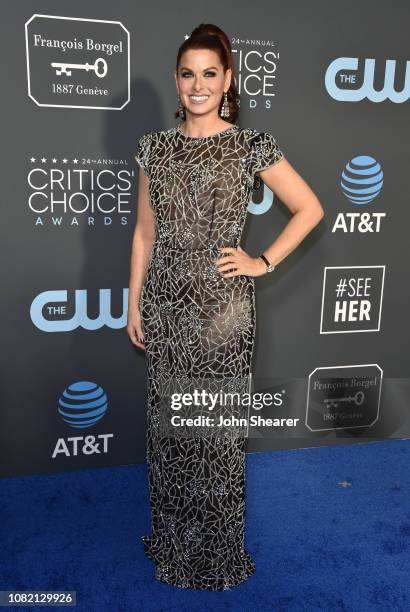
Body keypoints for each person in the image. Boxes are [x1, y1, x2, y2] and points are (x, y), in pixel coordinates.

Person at [127, 23, 324, 591]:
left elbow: (309, 208)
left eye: (209, 74)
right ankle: (172, 540)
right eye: (188, 74)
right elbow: (144, 234)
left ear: (228, 79)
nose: (197, 85)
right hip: (164, 303)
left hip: (222, 315)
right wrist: (133, 300)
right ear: (176, 79)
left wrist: (262, 261)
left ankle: (213, 553)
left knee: (213, 437)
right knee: (169, 431)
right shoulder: (153, 149)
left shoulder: (250, 145)